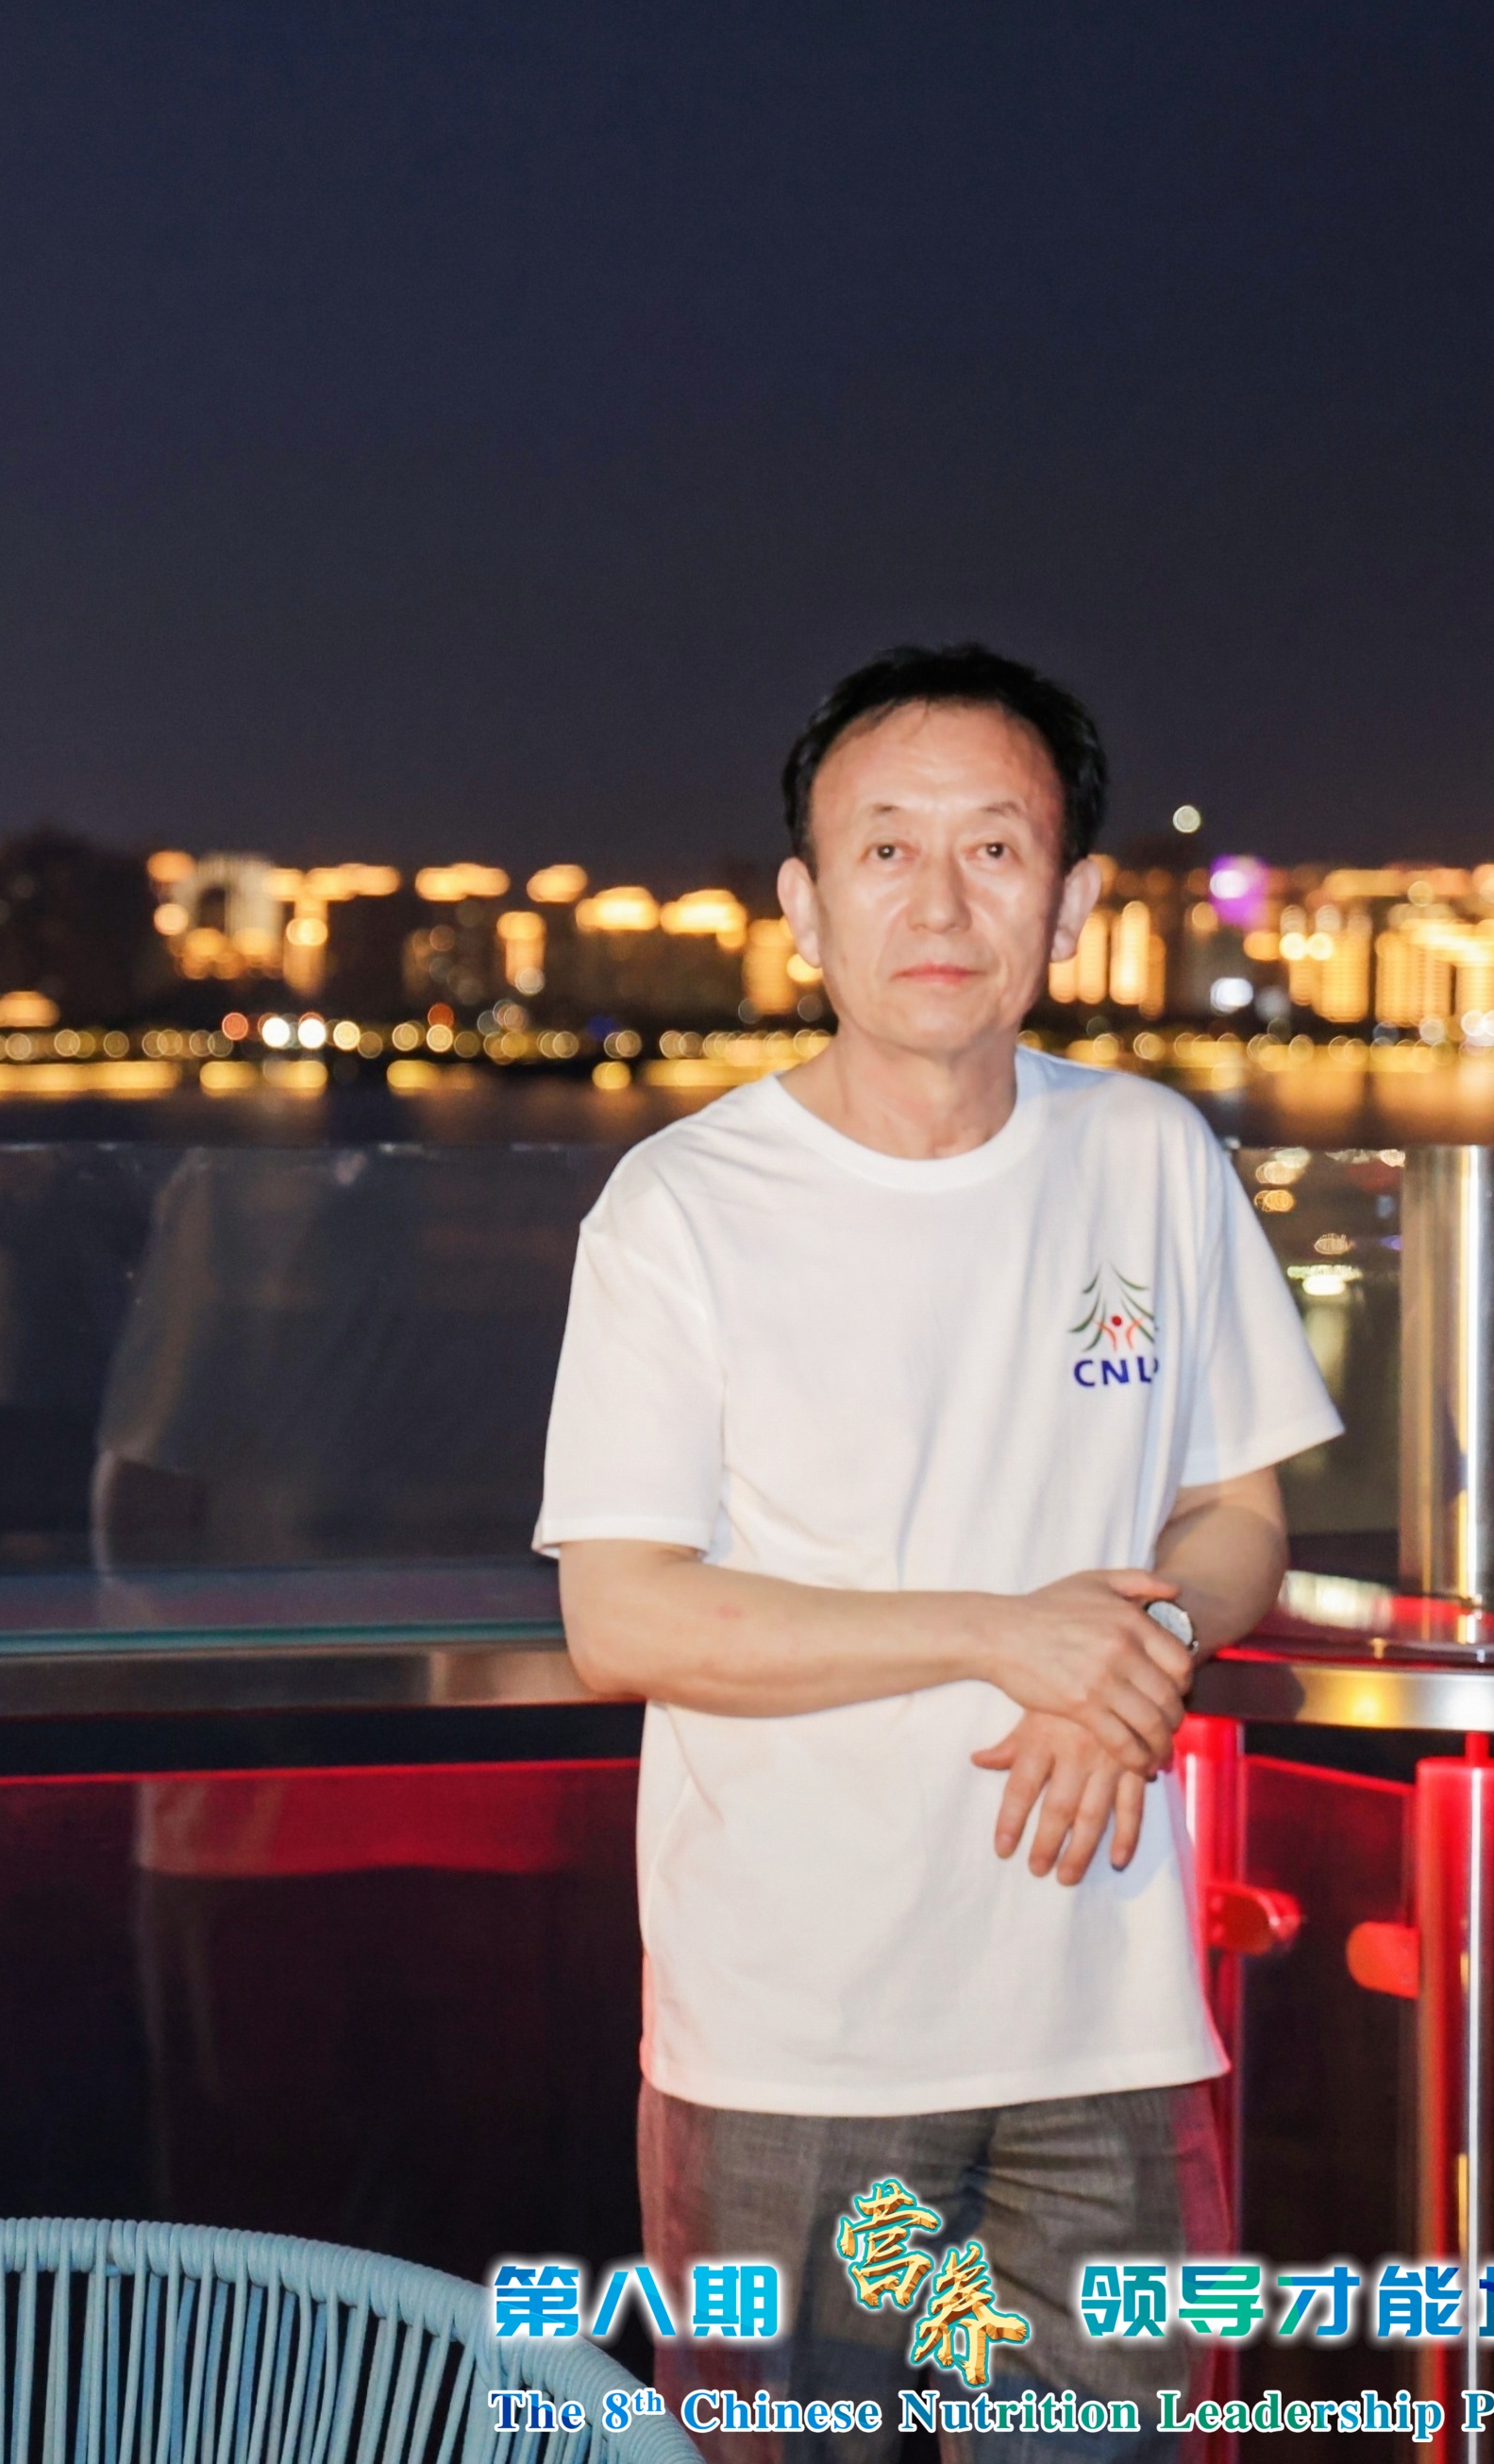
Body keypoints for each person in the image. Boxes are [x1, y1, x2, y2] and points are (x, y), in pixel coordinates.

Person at [537, 645, 1340, 2459]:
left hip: (1109, 2018)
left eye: (995, 847)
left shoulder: (1147, 1154)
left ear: (1069, 900)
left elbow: (1234, 1518)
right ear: (803, 904)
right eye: (885, 849)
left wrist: (1136, 1654)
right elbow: (621, 1616)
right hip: (791, 2043)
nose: (940, 899)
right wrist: (1004, 1634)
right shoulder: (682, 1205)